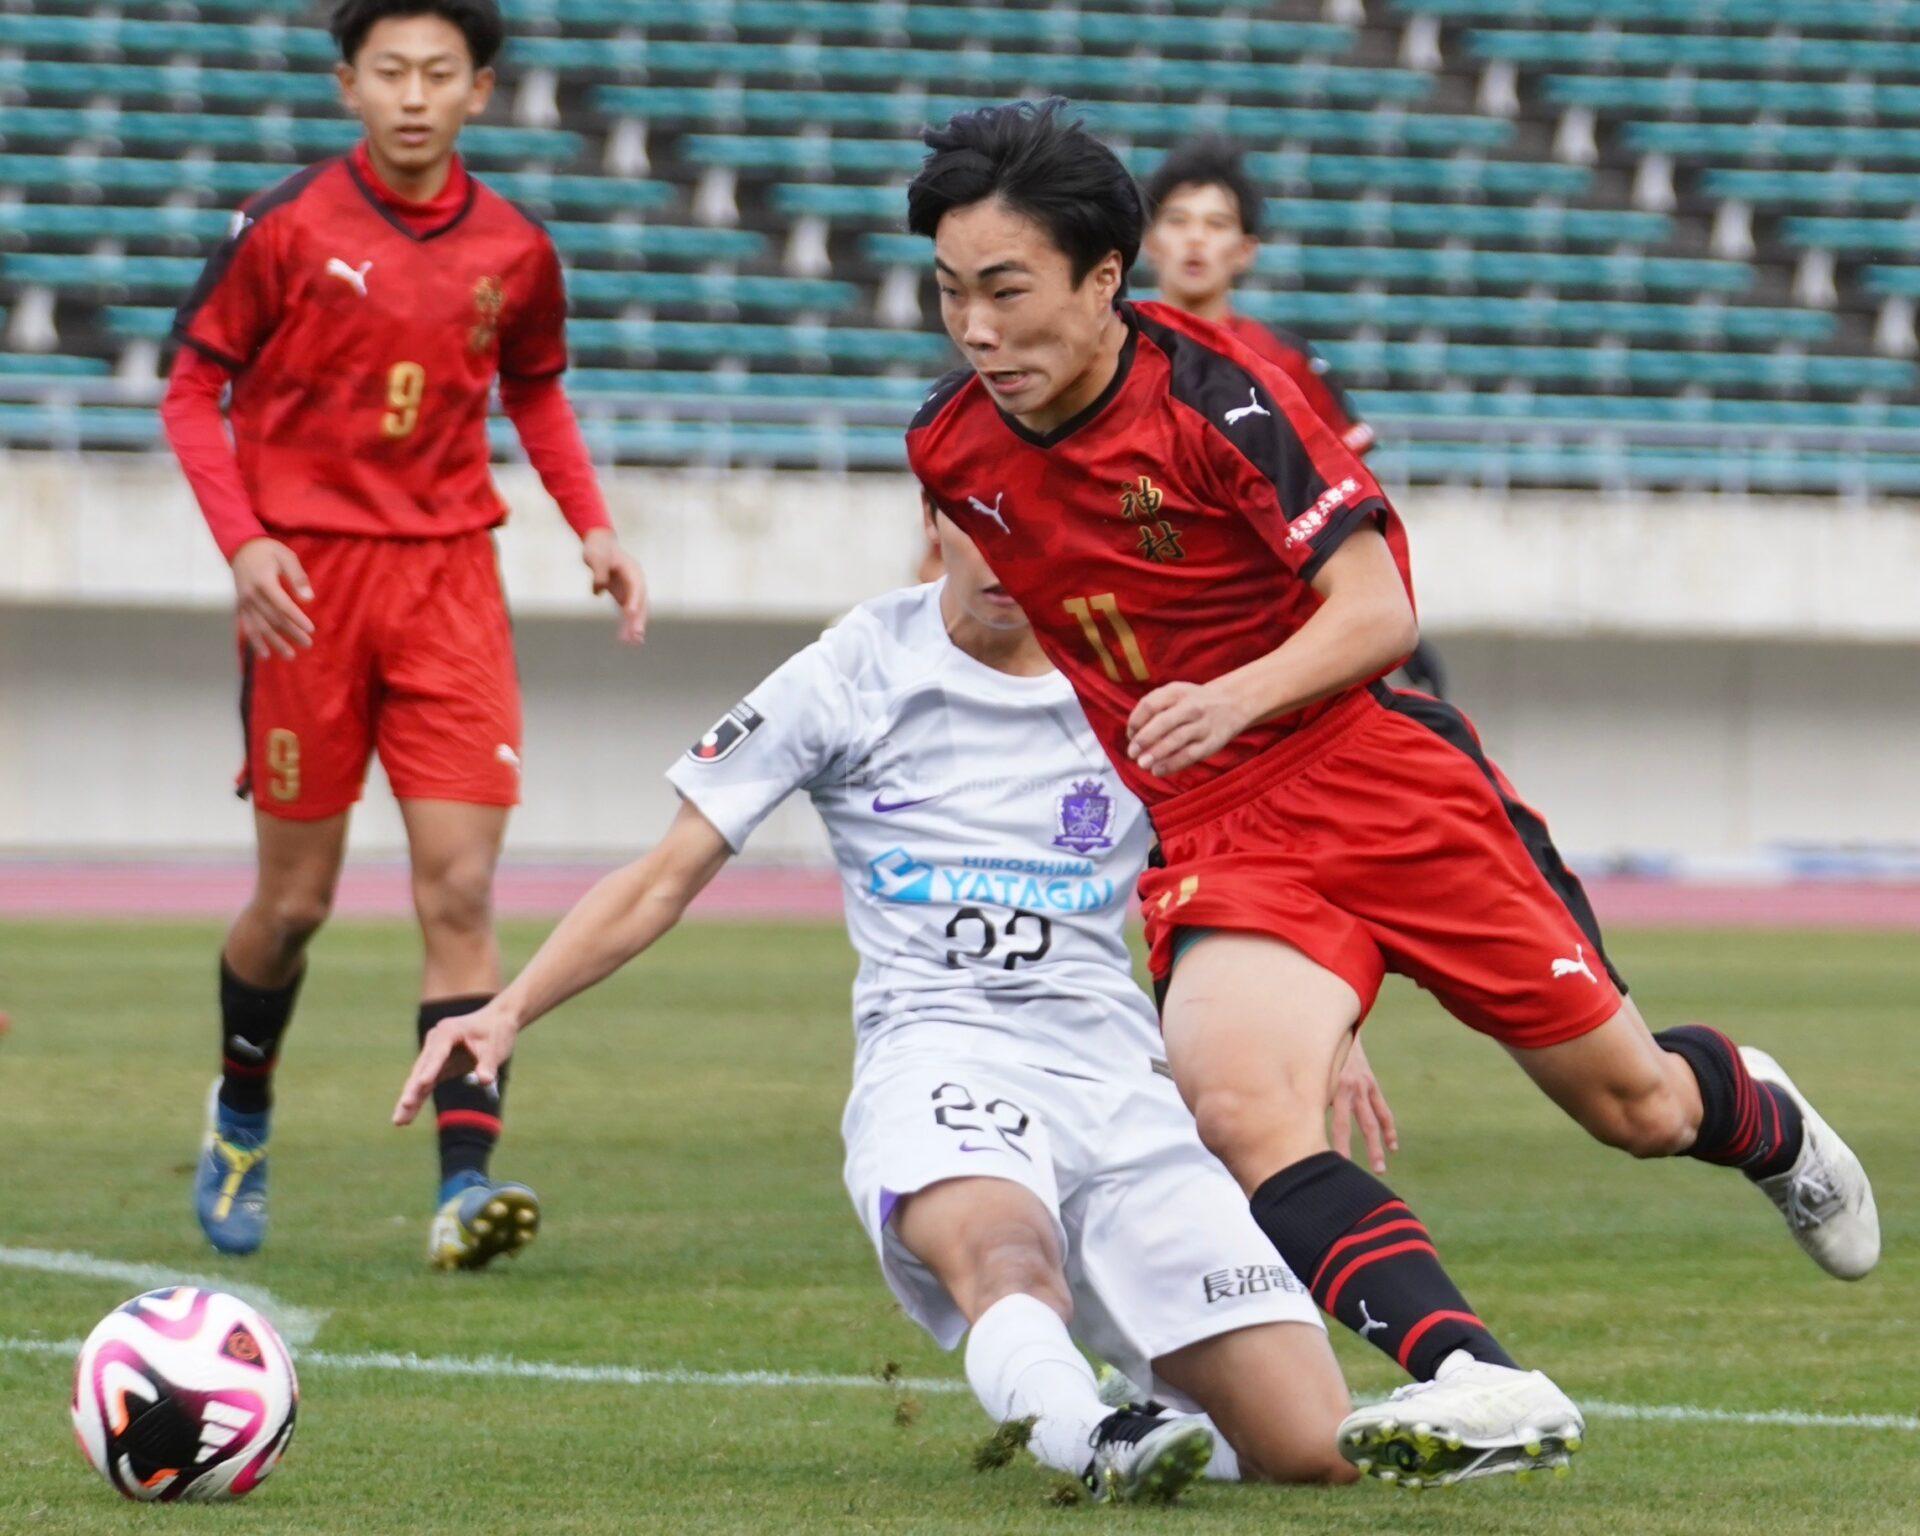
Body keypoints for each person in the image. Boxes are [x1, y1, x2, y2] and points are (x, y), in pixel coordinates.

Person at [902, 98, 1878, 1489]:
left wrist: (1231, 696)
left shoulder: (1219, 401)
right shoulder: (950, 445)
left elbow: (1376, 611)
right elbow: (982, 621)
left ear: (1101, 277)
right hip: (1224, 832)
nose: (976, 330)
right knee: (1240, 1105)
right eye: (950, 294)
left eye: (1007, 291)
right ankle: (1477, 1375)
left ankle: (1756, 1111)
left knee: (1636, 1108)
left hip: (1374, 779)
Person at [393, 498, 1401, 1501]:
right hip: (940, 1053)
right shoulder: (854, 669)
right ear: (934, 522)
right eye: (982, 526)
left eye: (1036, 531)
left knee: (1313, 1449)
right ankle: (1087, 1436)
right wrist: (511, 1004)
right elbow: (665, 875)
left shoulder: (1134, 669)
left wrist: (1327, 1023)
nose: (1010, 556)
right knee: (1009, 1255)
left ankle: (1149, 1421)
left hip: (1119, 1073)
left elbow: (1247, 871)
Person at [160, 0, 649, 1269]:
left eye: (442, 72)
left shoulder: (519, 250)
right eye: (393, 72)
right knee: (296, 900)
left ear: (481, 90)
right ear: (349, 85)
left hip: (448, 587)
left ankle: (463, 1187)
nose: (416, 94)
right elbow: (189, 388)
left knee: (461, 888)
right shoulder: (284, 227)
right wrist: (246, 542)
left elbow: (534, 386)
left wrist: (590, 525)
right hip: (307, 593)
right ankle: (243, 1113)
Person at [1140, 135, 1446, 699]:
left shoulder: (1284, 364)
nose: (1195, 238)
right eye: (1178, 219)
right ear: (1149, 239)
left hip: (1271, 633)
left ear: (1246, 249)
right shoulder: (1109, 358)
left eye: (1216, 223)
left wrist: (1397, 619)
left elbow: (1353, 503)